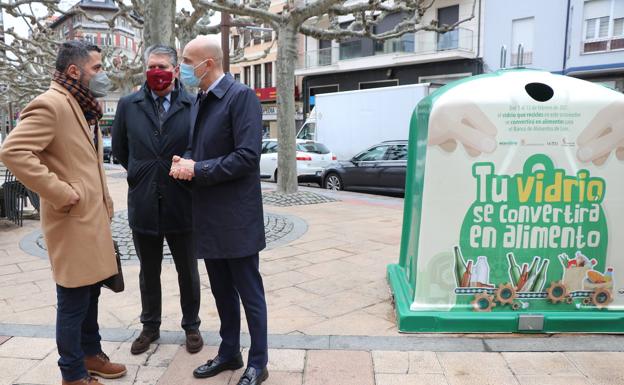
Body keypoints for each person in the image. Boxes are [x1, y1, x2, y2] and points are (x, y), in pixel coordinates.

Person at [0, 40, 126, 385]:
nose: (102, 75)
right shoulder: (51, 104)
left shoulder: (84, 106)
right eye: (97, 68)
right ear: (74, 71)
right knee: (72, 299)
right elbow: (13, 151)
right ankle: (72, 373)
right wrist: (61, 192)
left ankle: (91, 354)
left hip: (92, 219)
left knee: (92, 292)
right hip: (71, 220)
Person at [170, 36, 268, 385]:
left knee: (249, 292)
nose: (181, 67)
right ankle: (230, 352)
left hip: (237, 219)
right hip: (208, 215)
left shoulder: (241, 98)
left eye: (185, 60)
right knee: (222, 291)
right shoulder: (201, 99)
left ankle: (258, 362)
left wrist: (198, 169)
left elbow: (247, 157)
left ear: (206, 64)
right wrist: (185, 159)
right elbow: (201, 147)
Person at [111, 44, 203, 355]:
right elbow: (122, 150)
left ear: (176, 71)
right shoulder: (128, 105)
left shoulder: (193, 105)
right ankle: (150, 326)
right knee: (148, 271)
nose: (156, 72)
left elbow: (198, 147)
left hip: (183, 201)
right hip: (144, 201)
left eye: (162, 66)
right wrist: (141, 172)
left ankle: (191, 325)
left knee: (187, 270)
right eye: (151, 66)